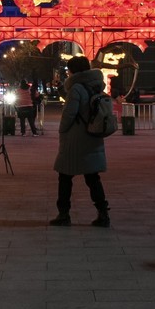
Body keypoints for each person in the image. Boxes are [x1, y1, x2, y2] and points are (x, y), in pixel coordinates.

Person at [50, 56, 110, 228]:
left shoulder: (76, 87)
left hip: (76, 138)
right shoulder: (96, 85)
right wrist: (61, 88)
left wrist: (62, 130)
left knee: (65, 176)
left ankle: (64, 213)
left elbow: (69, 113)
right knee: (92, 177)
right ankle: (103, 213)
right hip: (93, 136)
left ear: (73, 71)